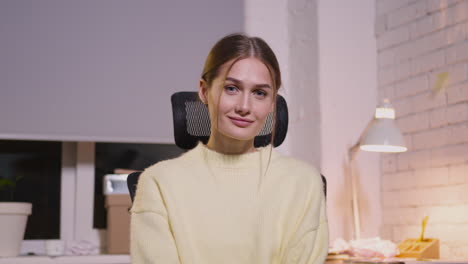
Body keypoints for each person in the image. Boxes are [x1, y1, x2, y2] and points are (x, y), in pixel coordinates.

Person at [130, 33, 329, 264]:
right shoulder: (159, 182)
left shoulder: (303, 182)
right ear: (204, 91)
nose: (244, 107)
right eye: (232, 88)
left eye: (260, 93)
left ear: (272, 103)